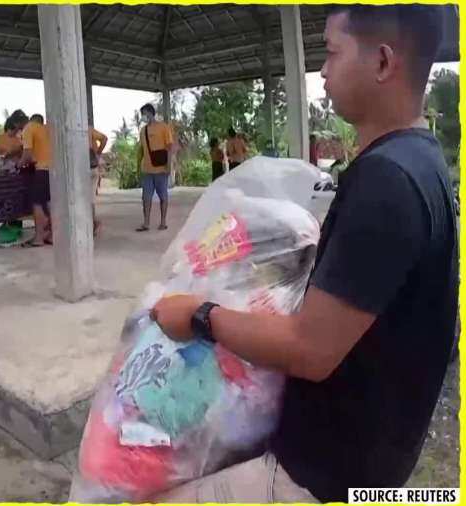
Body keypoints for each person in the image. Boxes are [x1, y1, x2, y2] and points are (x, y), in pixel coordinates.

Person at [150, 5, 456, 502]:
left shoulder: (386, 180)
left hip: (319, 476)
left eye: (333, 53)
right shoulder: (422, 159)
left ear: (381, 63)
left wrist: (200, 315)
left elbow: (309, 350)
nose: (322, 70)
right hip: (378, 468)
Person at [136, 103, 176, 232]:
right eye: (142, 114)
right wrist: (138, 167)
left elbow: (169, 148)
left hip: (161, 169)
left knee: (163, 196)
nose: (143, 117)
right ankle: (146, 223)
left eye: (144, 114)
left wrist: (169, 166)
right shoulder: (143, 131)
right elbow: (141, 150)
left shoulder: (164, 128)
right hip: (147, 170)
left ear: (150, 113)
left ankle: (163, 222)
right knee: (146, 197)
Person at [19, 113, 53, 247]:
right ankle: (53, 235)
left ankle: (38, 238)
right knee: (50, 204)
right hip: (54, 171)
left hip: (41, 170)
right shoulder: (48, 129)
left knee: (37, 203)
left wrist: (19, 165)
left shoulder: (29, 128)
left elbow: (27, 154)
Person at [89, 126, 108, 233]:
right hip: (92, 166)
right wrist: (98, 153)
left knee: (88, 200)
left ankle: (93, 223)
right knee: (89, 199)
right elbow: (104, 139)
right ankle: (94, 223)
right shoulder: (89, 130)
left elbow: (105, 138)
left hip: (88, 167)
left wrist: (98, 153)